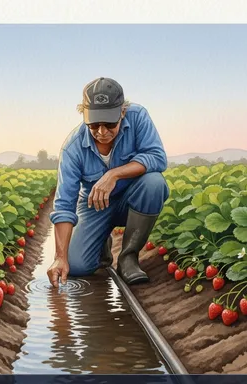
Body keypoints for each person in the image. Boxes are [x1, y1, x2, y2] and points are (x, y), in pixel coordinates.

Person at [47, 77, 170, 288]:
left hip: (132, 199)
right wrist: (60, 256)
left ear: (123, 111)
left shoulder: (138, 117)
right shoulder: (73, 148)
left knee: (154, 183)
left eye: (110, 123)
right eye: (94, 124)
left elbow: (157, 157)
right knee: (76, 266)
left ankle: (128, 258)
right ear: (83, 115)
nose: (102, 132)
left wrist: (113, 174)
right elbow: (64, 204)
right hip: (95, 206)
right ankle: (101, 243)